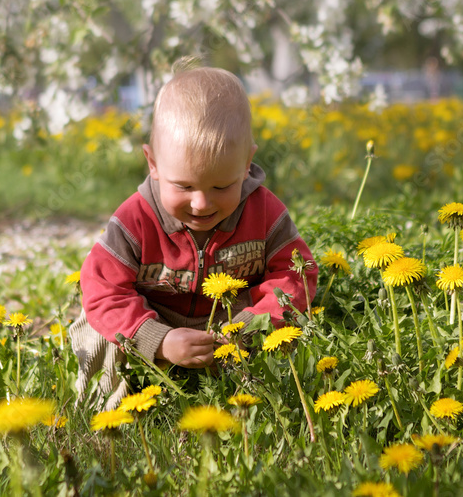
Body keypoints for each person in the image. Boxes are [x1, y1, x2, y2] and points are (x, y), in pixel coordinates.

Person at [70, 61, 318, 409]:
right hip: (153, 320)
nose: (201, 203)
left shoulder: (264, 212)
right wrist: (159, 339)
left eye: (222, 185)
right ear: (152, 163)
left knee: (299, 330)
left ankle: (259, 401)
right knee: (100, 329)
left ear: (247, 162)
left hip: (234, 326)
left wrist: (250, 326)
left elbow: (297, 273)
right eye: (183, 186)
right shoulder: (135, 219)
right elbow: (102, 290)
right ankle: (108, 409)